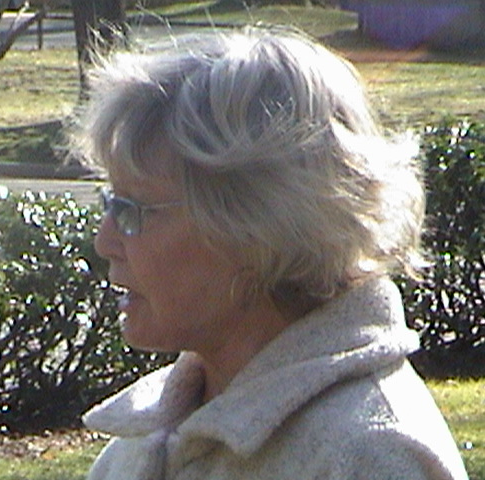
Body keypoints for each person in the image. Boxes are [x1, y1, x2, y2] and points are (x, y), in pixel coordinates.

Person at [73, 27, 469, 480]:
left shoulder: (369, 455)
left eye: (131, 211)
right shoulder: (148, 439)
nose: (105, 241)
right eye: (109, 203)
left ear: (255, 229)